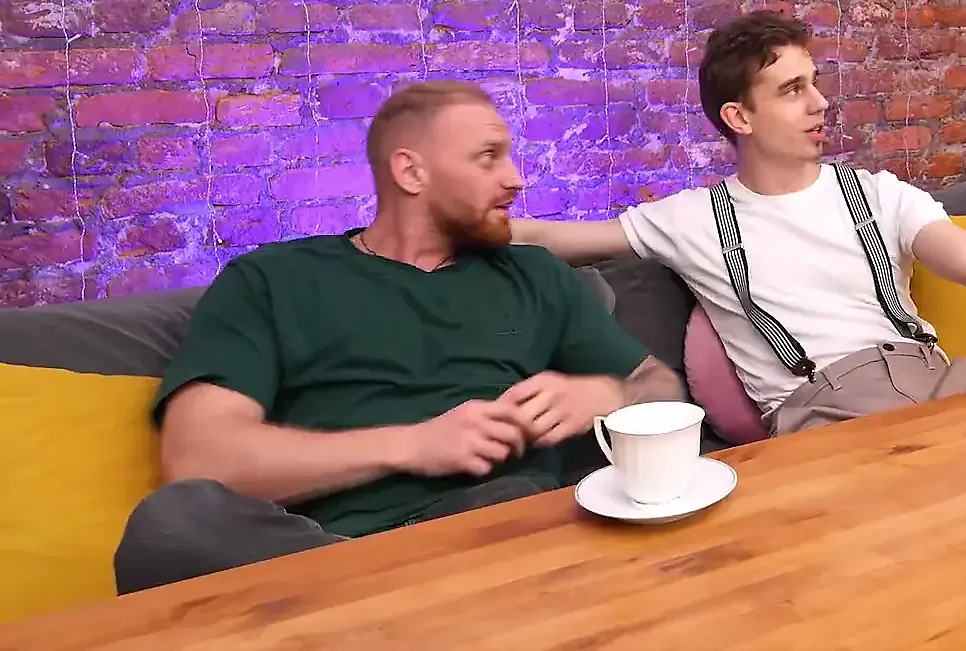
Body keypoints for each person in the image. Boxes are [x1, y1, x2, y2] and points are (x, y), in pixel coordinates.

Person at [115, 81, 680, 594]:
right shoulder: (273, 279)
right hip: (322, 553)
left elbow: (663, 387)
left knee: (534, 508)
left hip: (494, 523)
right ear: (411, 173)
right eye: (488, 157)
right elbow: (197, 458)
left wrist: (611, 395)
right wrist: (415, 445)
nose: (516, 178)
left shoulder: (534, 274)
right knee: (174, 525)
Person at [513, 9, 966, 436]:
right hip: (828, 412)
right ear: (739, 117)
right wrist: (467, 214)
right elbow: (543, 236)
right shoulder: (692, 219)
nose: (820, 103)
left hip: (943, 382)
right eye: (793, 90)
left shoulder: (879, 194)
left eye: (814, 83)